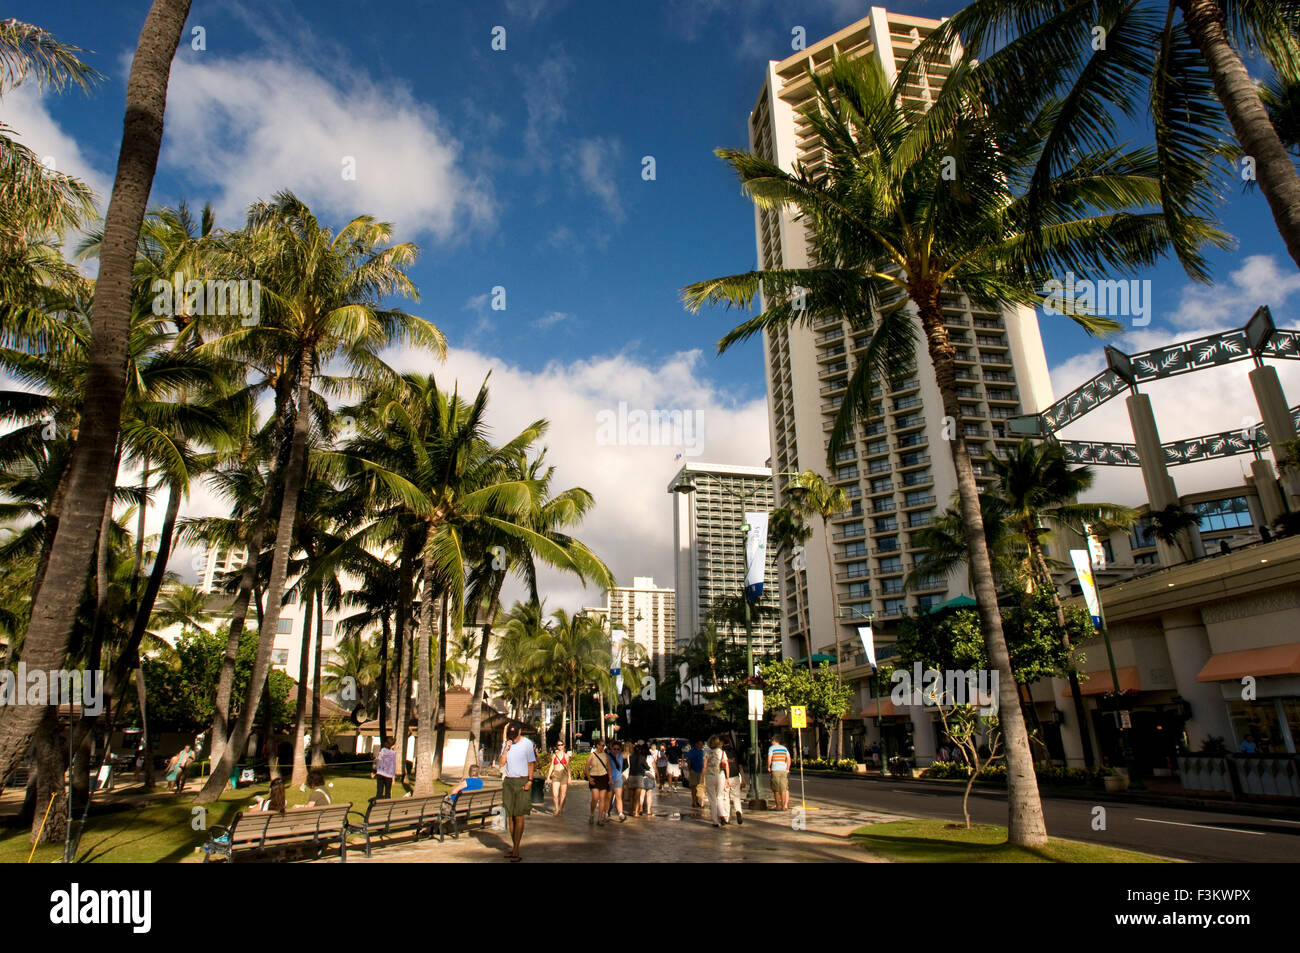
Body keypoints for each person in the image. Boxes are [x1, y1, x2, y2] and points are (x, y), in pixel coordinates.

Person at [498, 724, 537, 862]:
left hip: (522, 781)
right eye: (511, 735)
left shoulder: (527, 744)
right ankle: (514, 846)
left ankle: (516, 849)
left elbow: (531, 763)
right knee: (510, 816)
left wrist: (530, 781)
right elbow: (501, 763)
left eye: (515, 735)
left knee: (519, 815)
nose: (513, 738)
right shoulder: (507, 743)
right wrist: (505, 750)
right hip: (509, 781)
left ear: (520, 732)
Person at [703, 736, 729, 827]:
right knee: (720, 797)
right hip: (720, 775)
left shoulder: (707, 753)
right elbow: (726, 766)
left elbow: (705, 766)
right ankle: (722, 815)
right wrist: (727, 778)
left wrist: (702, 778)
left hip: (710, 776)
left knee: (712, 799)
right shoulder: (722, 753)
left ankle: (715, 821)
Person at [585, 737, 611, 825]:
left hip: (603, 777)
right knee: (595, 798)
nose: (602, 747)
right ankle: (592, 814)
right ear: (597, 746)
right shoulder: (592, 755)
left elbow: (609, 768)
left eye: (604, 745)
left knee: (602, 798)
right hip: (594, 777)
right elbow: (587, 767)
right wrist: (589, 778)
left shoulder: (605, 755)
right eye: (601, 745)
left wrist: (610, 778)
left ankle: (599, 819)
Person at [766, 736, 791, 811]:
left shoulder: (771, 748)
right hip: (783, 770)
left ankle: (778, 806)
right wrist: (787, 768)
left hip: (775, 770)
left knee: (776, 790)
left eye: (771, 741)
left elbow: (769, 758)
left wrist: (768, 767)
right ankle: (784, 806)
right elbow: (789, 759)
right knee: (783, 789)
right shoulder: (784, 748)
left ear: (774, 741)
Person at [723, 746, 745, 825]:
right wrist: (743, 779)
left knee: (726, 798)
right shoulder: (735, 752)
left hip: (725, 778)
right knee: (736, 797)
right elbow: (740, 767)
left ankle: (727, 817)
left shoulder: (721, 752)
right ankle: (738, 811)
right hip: (735, 776)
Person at [549, 740, 571, 815]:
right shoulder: (554, 755)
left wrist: (569, 777)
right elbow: (552, 766)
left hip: (564, 776)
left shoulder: (566, 756)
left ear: (564, 745)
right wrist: (548, 776)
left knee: (563, 795)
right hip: (555, 775)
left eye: (561, 745)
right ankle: (556, 808)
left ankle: (561, 808)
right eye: (558, 745)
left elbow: (568, 767)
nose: (560, 746)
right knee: (555, 794)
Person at [628, 742, 648, 818]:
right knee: (637, 797)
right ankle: (636, 813)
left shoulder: (630, 757)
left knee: (631, 797)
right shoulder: (642, 757)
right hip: (639, 777)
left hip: (631, 776)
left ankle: (630, 811)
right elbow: (647, 767)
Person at [608, 741, 627, 821]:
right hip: (610, 779)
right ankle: (606, 812)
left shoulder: (621, 756)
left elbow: (628, 752)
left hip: (618, 779)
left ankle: (620, 813)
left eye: (618, 749)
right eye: (614, 749)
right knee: (609, 798)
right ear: (612, 749)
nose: (616, 750)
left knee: (618, 797)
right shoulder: (608, 756)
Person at [685, 740, 706, 808]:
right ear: (696, 744)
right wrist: (690, 769)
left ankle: (697, 801)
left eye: (702, 744)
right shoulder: (692, 751)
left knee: (699, 787)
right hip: (694, 770)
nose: (701, 746)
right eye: (700, 744)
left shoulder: (701, 751)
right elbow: (689, 760)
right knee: (694, 787)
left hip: (700, 771)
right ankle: (694, 801)